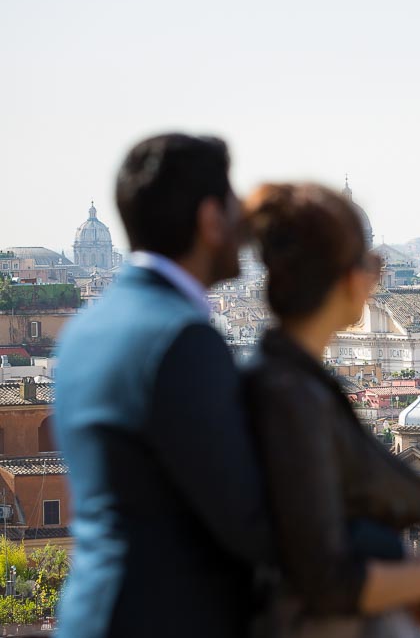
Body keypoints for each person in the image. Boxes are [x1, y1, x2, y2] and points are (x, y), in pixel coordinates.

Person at [243, 183, 420, 638]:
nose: (378, 278)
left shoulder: (290, 382)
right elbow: (311, 563)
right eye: (373, 263)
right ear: (349, 276)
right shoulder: (291, 399)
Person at [54, 134, 272, 638]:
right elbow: (246, 520)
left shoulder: (84, 329)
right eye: (234, 206)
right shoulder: (182, 338)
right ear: (209, 218)